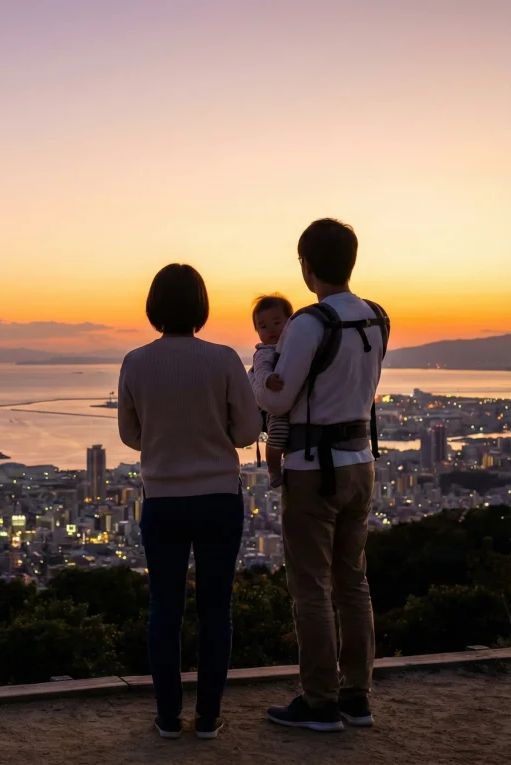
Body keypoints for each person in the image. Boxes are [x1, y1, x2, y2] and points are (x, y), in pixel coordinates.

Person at [250, 219, 387, 732]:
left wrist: (259, 374)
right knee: (354, 582)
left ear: (306, 266)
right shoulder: (377, 318)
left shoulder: (309, 323)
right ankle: (357, 695)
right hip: (360, 463)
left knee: (310, 586)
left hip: (312, 470)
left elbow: (278, 397)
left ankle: (319, 700)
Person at [118, 263, 262, 741]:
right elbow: (247, 431)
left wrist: (168, 440)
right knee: (215, 609)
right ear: (201, 306)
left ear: (154, 307)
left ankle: (166, 717)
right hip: (219, 497)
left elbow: (129, 435)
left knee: (164, 608)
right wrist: (211, 433)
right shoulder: (223, 359)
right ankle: (207, 717)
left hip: (162, 499)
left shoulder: (135, 362)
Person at [250, 294, 294, 488]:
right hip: (277, 406)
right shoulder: (265, 351)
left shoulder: (294, 347)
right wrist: (268, 379)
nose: (271, 330)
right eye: (263, 326)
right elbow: (260, 370)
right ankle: (274, 469)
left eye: (277, 322)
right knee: (278, 433)